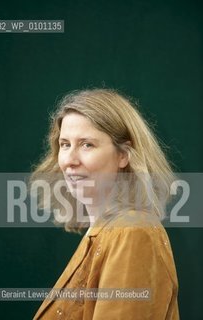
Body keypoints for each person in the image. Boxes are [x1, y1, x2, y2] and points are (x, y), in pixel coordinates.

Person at [31, 88, 179, 319]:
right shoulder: (104, 232)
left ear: (124, 155)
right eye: (65, 144)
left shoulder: (133, 232)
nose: (69, 160)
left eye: (87, 144)